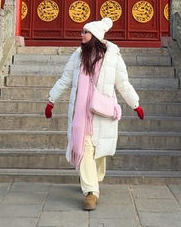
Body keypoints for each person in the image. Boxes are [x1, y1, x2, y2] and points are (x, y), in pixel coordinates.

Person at [45, 16, 144, 210]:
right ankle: (91, 192)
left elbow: (122, 83)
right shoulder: (77, 55)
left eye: (85, 32)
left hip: (101, 110)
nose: (81, 35)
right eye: (82, 32)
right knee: (85, 146)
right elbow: (65, 79)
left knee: (99, 150)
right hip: (81, 112)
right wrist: (51, 100)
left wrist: (135, 104)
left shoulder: (113, 56)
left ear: (95, 35)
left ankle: (94, 179)